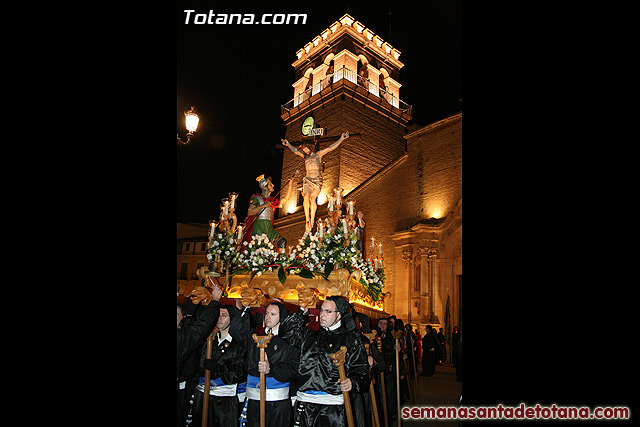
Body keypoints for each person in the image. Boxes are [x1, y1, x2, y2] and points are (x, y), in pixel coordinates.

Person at [279, 295, 370, 426]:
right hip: (305, 404)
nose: (322, 314)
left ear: (339, 315)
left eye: (328, 311)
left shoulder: (350, 339)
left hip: (331, 409)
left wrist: (352, 382)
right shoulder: (309, 336)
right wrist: (302, 310)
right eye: (321, 310)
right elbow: (285, 332)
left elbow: (361, 369)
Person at [231, 300, 300, 427]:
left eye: (273, 314)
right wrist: (245, 308)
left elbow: (295, 369)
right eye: (267, 313)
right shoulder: (256, 338)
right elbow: (235, 330)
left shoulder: (290, 341)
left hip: (277, 403)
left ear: (282, 318)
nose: (267, 317)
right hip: (254, 400)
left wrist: (272, 369)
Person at [187, 305, 247, 427]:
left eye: (224, 316)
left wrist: (218, 369)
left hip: (224, 401)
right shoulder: (209, 339)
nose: (219, 318)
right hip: (203, 397)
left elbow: (239, 373)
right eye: (218, 315)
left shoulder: (238, 344)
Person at [281, 132, 350, 233]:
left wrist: (341, 139)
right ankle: (307, 219)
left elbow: (330, 148)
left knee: (312, 198)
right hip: (308, 179)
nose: (305, 151)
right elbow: (295, 151)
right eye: (304, 150)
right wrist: (288, 144)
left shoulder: (318, 155)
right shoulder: (305, 157)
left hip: (317, 180)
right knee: (305, 196)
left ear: (310, 148)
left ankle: (312, 219)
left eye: (306, 149)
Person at [244, 174, 294, 249]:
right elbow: (250, 212)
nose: (273, 185)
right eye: (270, 184)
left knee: (282, 241)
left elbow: (286, 199)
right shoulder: (257, 198)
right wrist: (263, 206)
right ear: (265, 187)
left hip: (269, 228)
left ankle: (280, 259)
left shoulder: (272, 200)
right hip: (259, 227)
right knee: (261, 249)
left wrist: (290, 184)